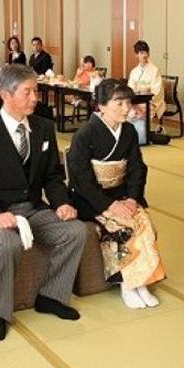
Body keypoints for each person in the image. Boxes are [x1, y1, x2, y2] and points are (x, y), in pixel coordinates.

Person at [0, 64, 86, 341]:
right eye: (27, 92)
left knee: (76, 231)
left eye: (36, 91)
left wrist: (61, 203)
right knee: (7, 244)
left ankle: (51, 296)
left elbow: (53, 175)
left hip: (31, 208)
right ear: (6, 94)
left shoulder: (44, 128)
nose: (35, 98)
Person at [67, 79, 165, 308]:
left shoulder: (128, 131)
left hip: (121, 194)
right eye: (118, 103)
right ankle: (126, 283)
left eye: (128, 103)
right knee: (121, 228)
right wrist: (108, 205)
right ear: (100, 106)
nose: (126, 108)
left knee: (143, 221)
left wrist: (132, 198)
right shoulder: (85, 134)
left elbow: (136, 168)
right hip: (91, 198)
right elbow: (80, 178)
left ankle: (142, 281)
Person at [127, 40, 165, 130]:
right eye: (141, 53)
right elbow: (130, 88)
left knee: (139, 113)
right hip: (136, 102)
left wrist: (147, 97)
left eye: (146, 52)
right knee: (128, 112)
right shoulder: (134, 71)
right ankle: (131, 135)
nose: (144, 55)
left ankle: (143, 134)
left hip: (149, 102)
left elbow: (157, 90)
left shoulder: (154, 70)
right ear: (136, 55)